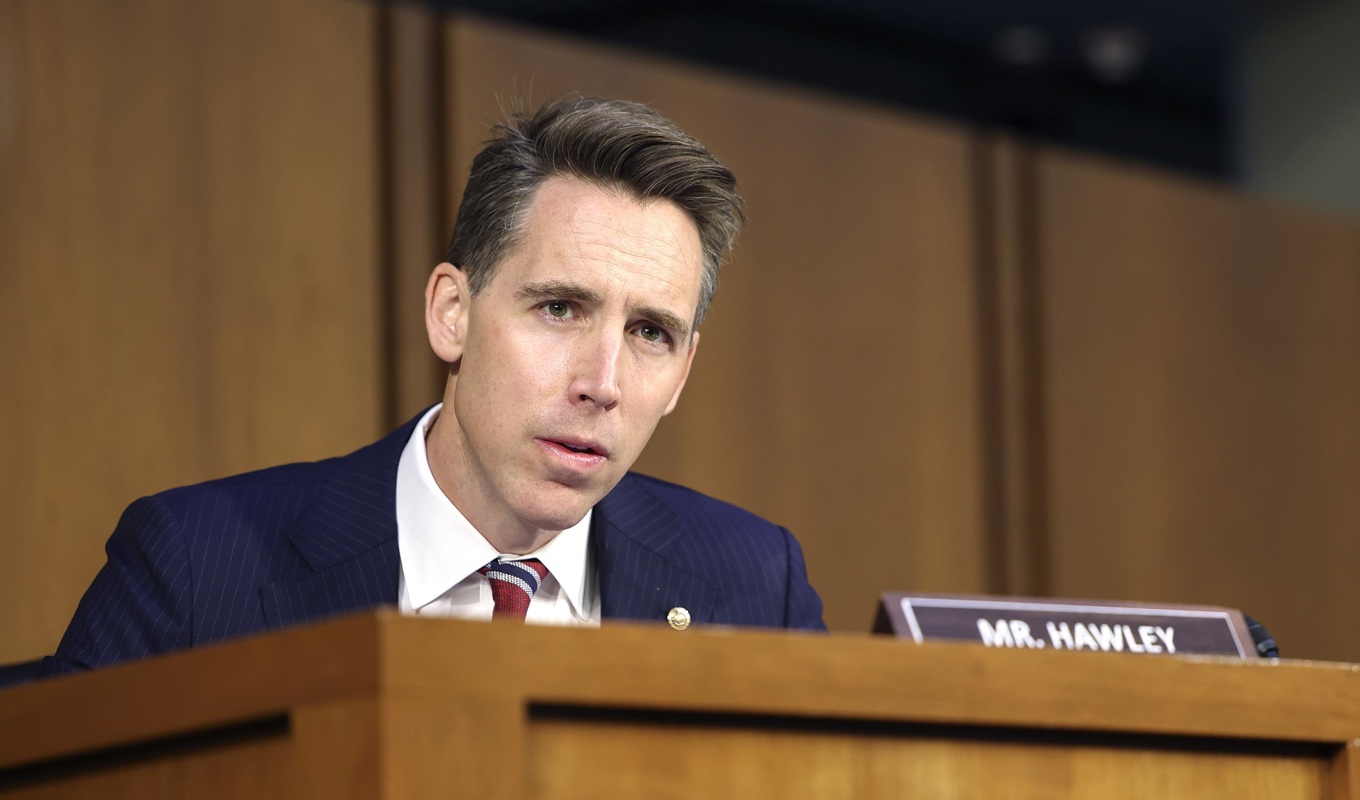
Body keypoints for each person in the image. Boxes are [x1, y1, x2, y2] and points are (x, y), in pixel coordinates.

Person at [40, 96, 824, 677]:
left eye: (649, 333)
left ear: (683, 370)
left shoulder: (756, 584)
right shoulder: (195, 567)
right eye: (559, 308)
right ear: (453, 313)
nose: (603, 383)